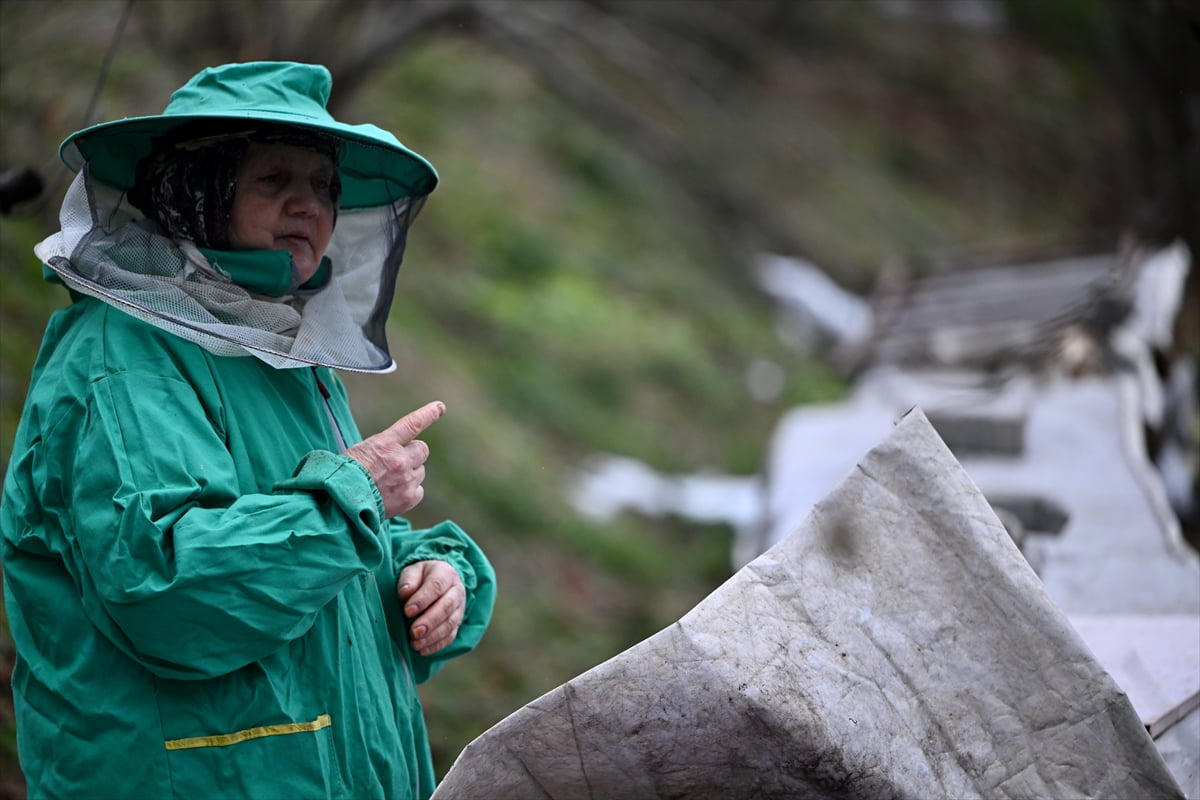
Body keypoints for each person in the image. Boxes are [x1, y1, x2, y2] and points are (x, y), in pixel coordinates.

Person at [0, 62, 496, 800]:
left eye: (325, 185)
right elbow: (167, 586)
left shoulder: (274, 350)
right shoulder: (127, 352)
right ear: (197, 187)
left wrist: (432, 577)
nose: (310, 204)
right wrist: (353, 495)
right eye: (275, 180)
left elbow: (307, 551)